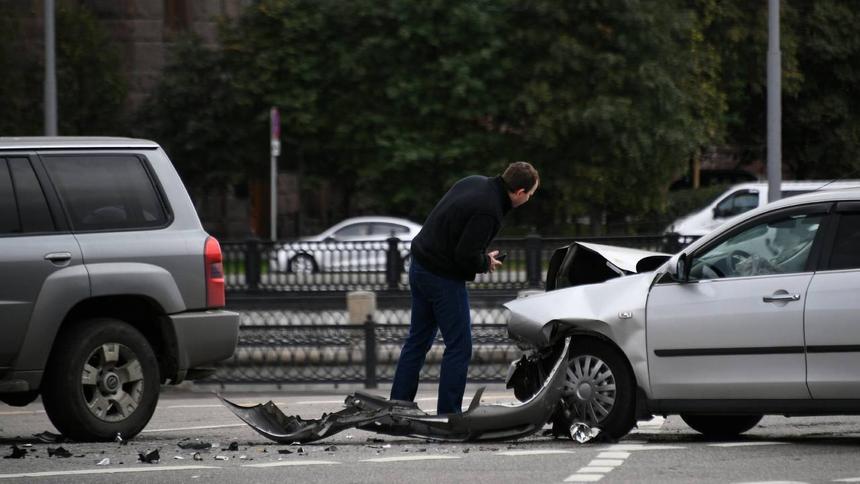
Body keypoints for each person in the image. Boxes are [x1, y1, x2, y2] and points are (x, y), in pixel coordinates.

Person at [390, 161, 539, 414]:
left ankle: (398, 405)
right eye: (531, 195)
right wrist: (485, 261)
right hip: (441, 277)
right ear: (521, 192)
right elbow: (465, 255)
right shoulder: (490, 210)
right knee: (460, 346)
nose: (529, 199)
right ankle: (449, 413)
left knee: (417, 341)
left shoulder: (474, 181)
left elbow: (452, 227)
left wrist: (478, 255)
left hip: (420, 265)